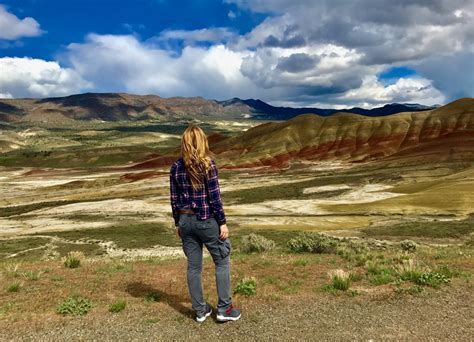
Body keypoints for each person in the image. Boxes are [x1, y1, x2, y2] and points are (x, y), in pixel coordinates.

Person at [169, 124, 241, 323]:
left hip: (185, 221)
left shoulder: (175, 167)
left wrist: (178, 224)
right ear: (202, 142)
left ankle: (200, 311)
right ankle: (224, 309)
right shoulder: (208, 165)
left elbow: (173, 199)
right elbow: (215, 198)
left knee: (193, 267)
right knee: (222, 260)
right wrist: (223, 223)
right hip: (206, 220)